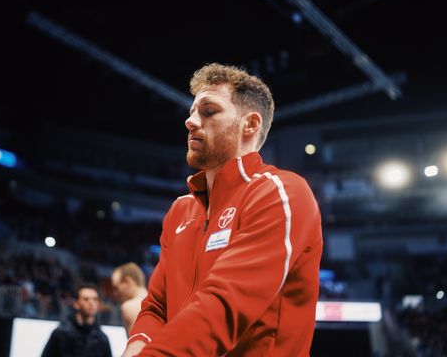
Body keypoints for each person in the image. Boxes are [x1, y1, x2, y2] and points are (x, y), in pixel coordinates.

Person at [122, 63, 323, 356]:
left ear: (250, 125)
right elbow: (156, 307)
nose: (190, 121)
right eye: (191, 112)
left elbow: (224, 306)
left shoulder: (281, 192)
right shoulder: (181, 210)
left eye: (208, 111)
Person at [42, 283, 112, 357]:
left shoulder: (101, 339)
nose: (91, 303)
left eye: (95, 299)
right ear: (76, 303)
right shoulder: (61, 334)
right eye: (86, 299)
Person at [111, 262, 149, 334]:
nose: (115, 294)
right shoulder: (157, 302)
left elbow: (137, 344)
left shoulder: (130, 306)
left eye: (116, 288)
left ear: (127, 281)